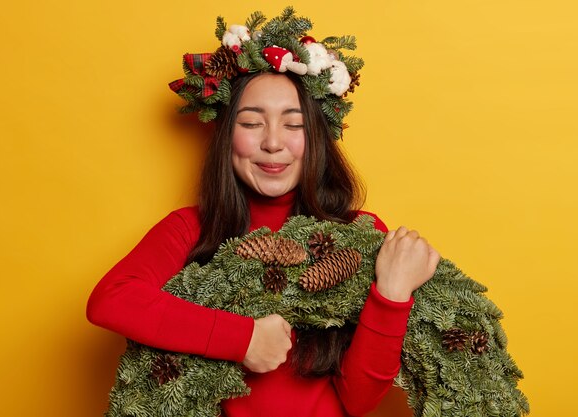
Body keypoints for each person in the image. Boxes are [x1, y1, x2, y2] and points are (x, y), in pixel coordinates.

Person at [87, 9, 440, 417]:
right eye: (252, 123)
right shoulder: (191, 229)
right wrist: (244, 338)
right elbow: (111, 300)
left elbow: (359, 400)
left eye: (294, 126)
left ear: (317, 139)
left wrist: (392, 294)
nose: (273, 143)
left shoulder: (358, 234)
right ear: (226, 136)